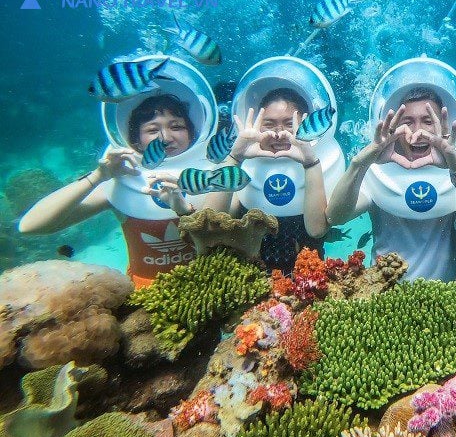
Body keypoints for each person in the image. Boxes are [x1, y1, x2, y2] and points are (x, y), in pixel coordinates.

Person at [19, 93, 199, 289]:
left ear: (192, 133)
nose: (166, 137)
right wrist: (98, 177)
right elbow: (31, 225)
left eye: (177, 127)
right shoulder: (122, 183)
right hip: (143, 294)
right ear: (136, 140)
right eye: (152, 130)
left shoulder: (209, 178)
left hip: (208, 283)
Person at [327, 83, 456, 282]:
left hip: (444, 297)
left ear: (442, 124)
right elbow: (335, 217)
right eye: (408, 121)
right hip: (383, 292)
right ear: (395, 125)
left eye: (428, 121)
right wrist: (361, 162)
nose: (418, 132)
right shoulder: (377, 169)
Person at [201, 87, 329, 272]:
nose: (279, 133)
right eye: (269, 124)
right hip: (250, 279)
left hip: (308, 278)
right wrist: (235, 157)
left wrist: (310, 164)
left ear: (306, 124)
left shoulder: (321, 163)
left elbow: (317, 230)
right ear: (256, 126)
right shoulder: (245, 168)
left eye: (289, 123)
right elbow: (209, 223)